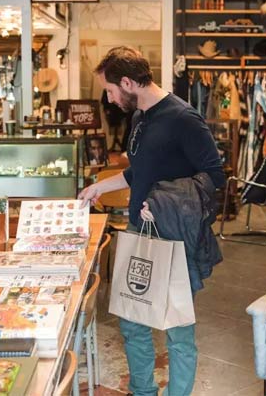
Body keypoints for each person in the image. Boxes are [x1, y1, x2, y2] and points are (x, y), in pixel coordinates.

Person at [79, 46, 224, 396]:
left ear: (128, 82)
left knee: (177, 329)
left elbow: (215, 177)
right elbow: (140, 172)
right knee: (132, 321)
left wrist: (162, 203)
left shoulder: (183, 118)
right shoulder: (140, 116)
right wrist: (100, 186)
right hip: (139, 231)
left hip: (174, 236)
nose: (110, 100)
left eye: (111, 91)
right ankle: (143, 391)